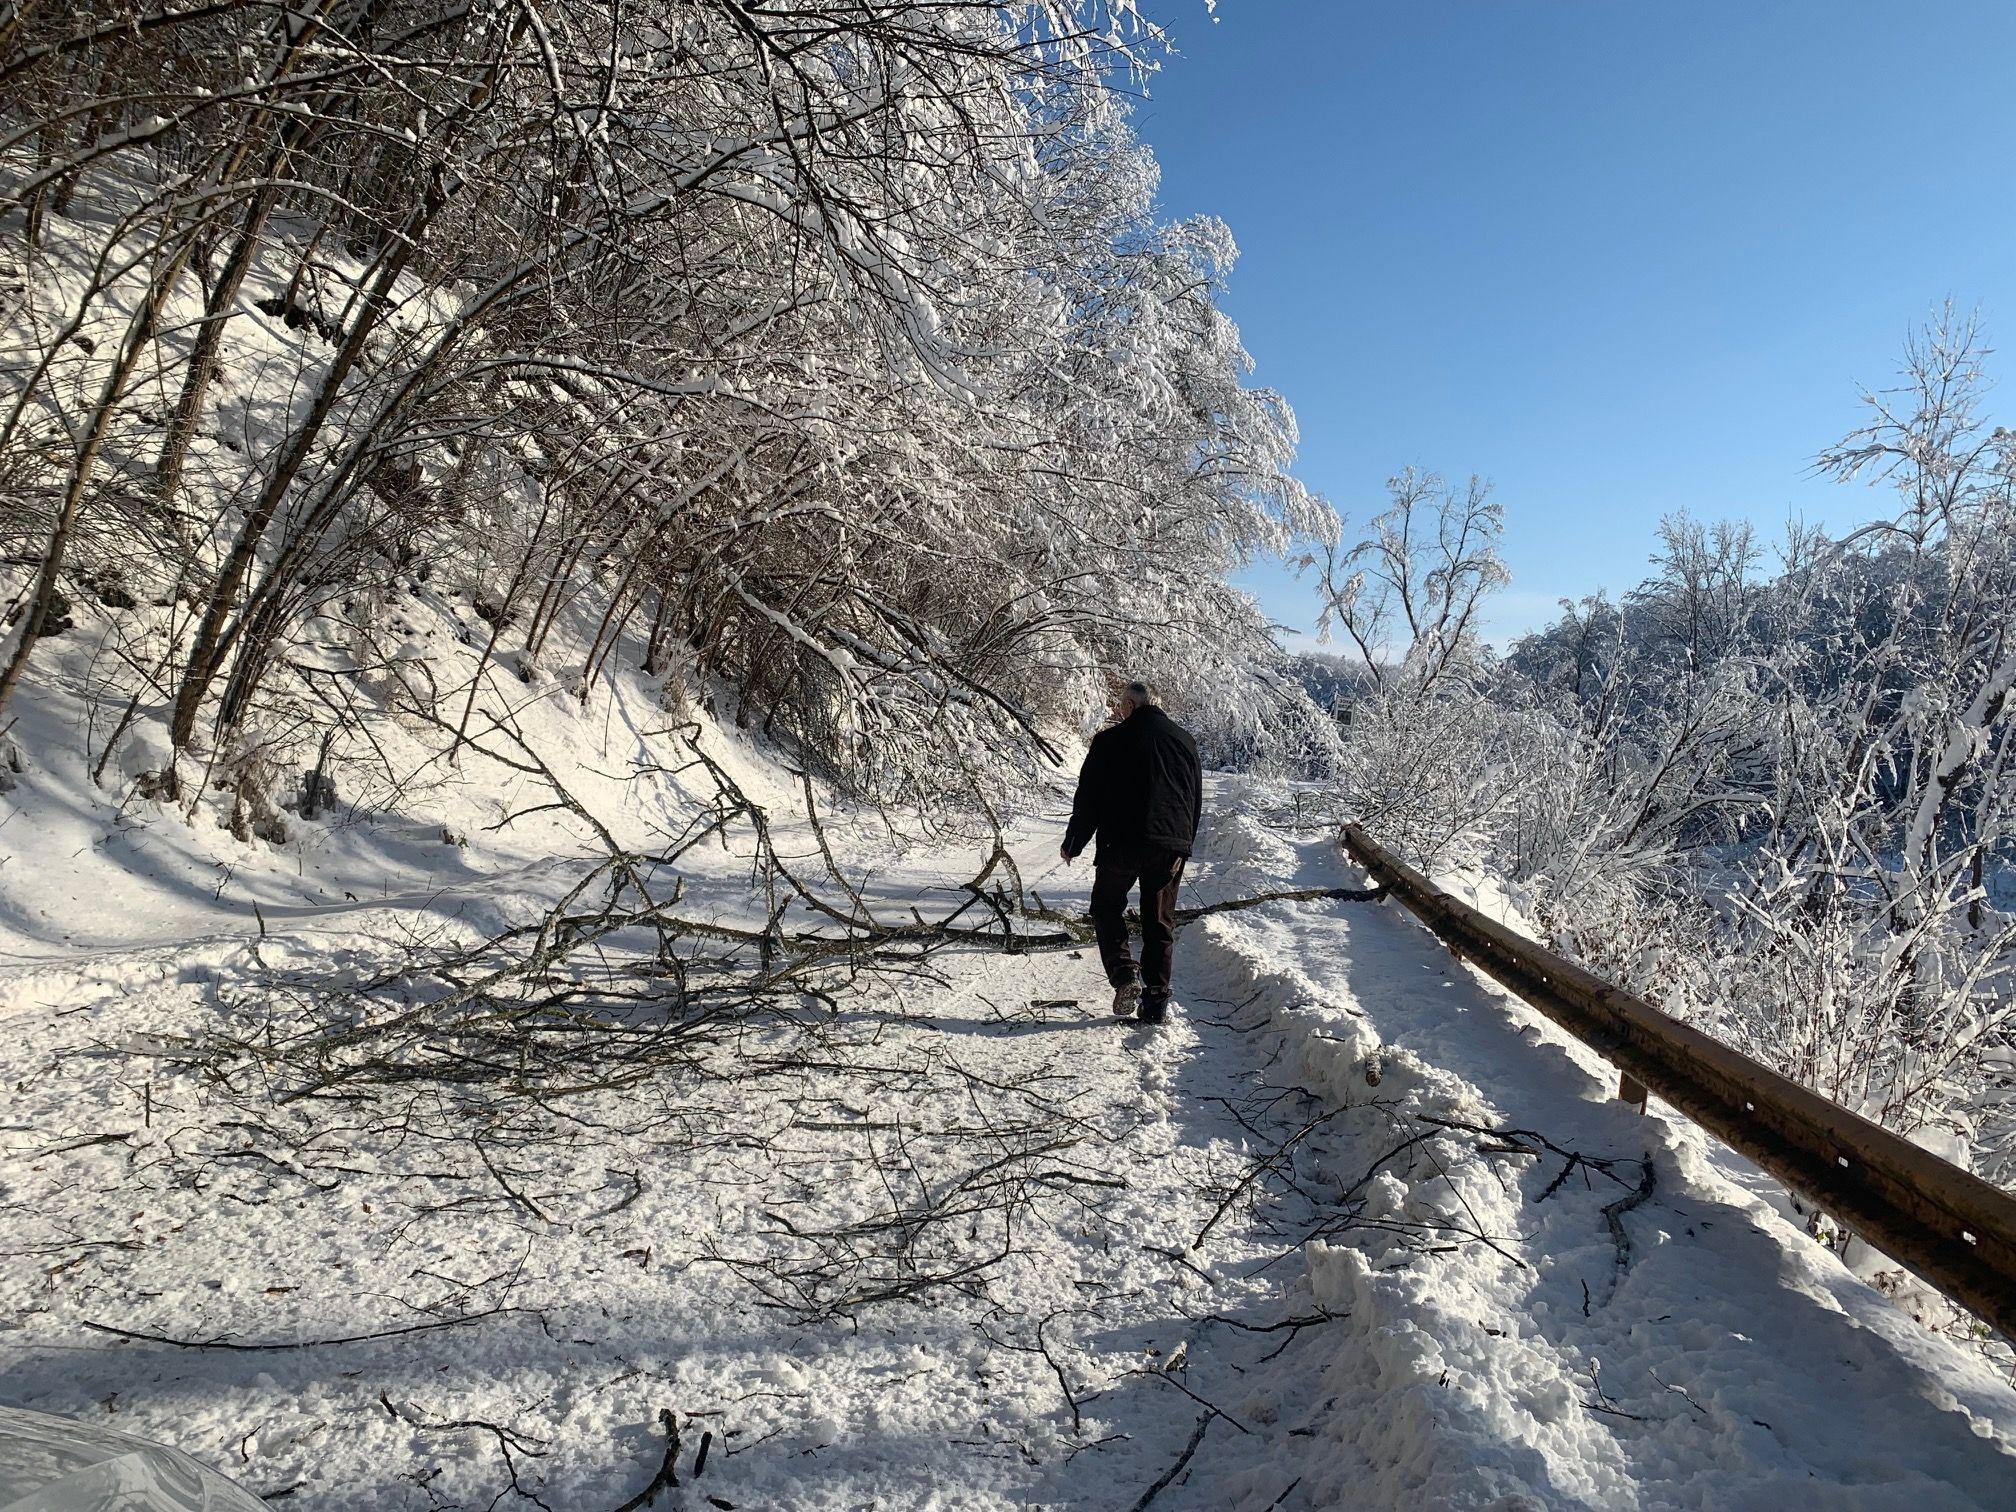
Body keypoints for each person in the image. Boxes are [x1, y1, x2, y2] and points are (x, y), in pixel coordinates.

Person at [1059, 679, 1203, 1024]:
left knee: (1107, 907)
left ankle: (1124, 976)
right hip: (1170, 843)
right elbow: (1194, 798)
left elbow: (1090, 796)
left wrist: (1073, 842)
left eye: (1120, 705)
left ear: (1132, 705)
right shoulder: (1185, 741)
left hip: (1120, 842)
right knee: (1158, 920)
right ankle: (1156, 1003)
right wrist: (1185, 844)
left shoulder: (1111, 741)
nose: (1117, 711)